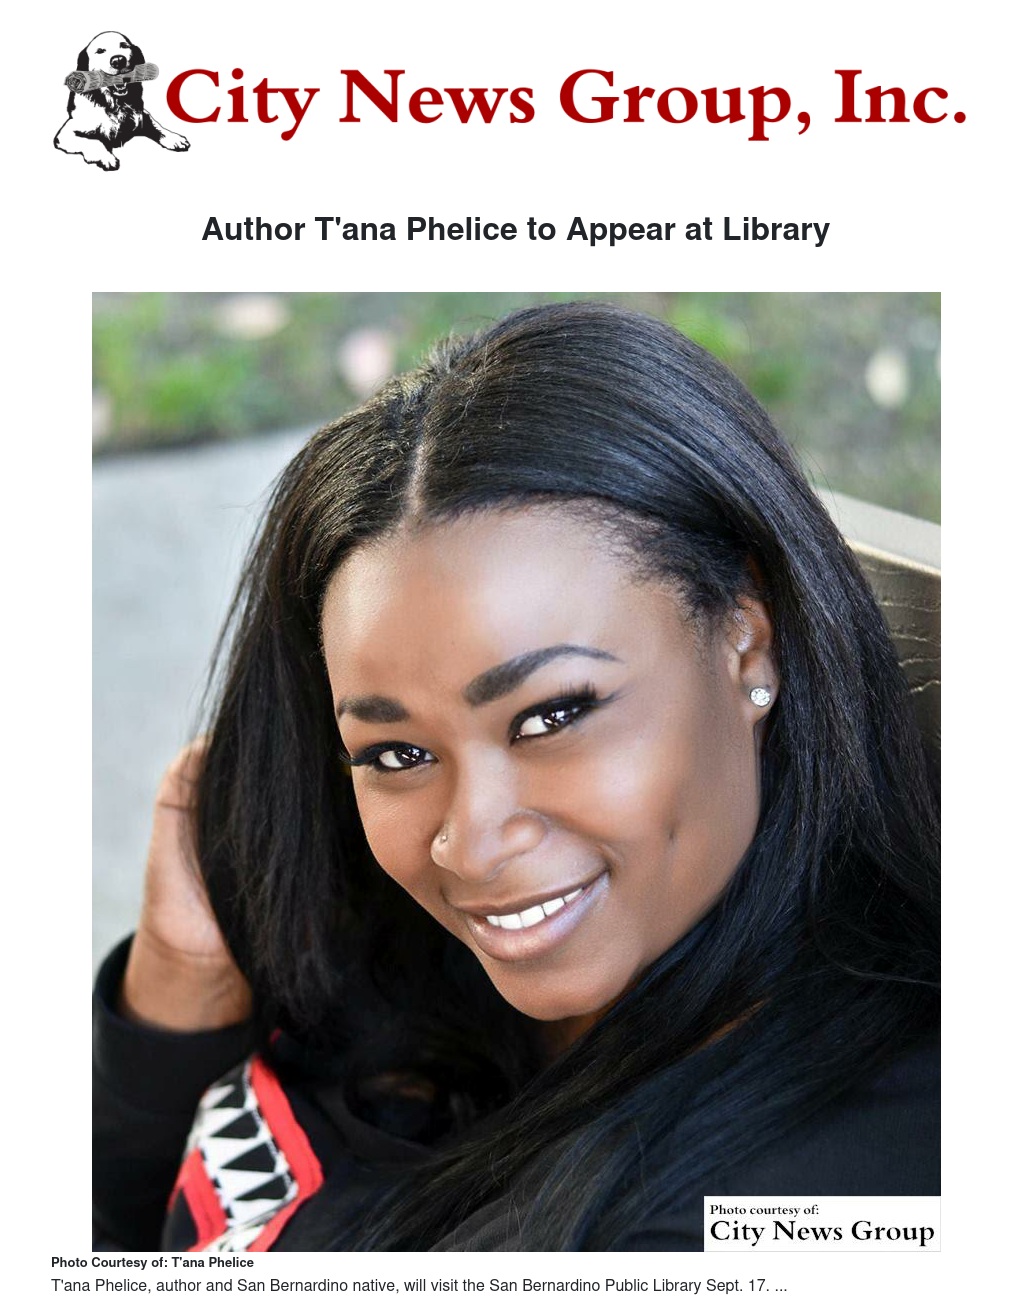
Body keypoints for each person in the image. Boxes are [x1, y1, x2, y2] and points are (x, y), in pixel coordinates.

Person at [93, 301, 939, 1252]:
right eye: (398, 753)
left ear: (746, 641)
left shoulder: (797, 1203)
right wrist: (182, 987)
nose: (470, 843)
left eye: (552, 717)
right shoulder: (397, 946)